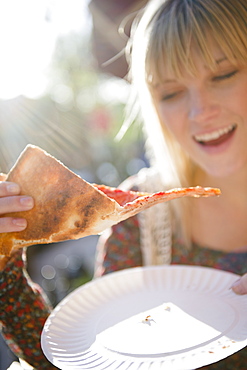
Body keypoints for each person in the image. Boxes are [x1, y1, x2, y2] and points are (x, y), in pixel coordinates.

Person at [0, 0, 247, 369]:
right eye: (171, 93)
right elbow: (83, 359)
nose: (200, 111)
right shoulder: (140, 222)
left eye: (223, 74)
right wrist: (4, 276)